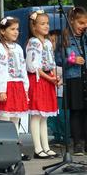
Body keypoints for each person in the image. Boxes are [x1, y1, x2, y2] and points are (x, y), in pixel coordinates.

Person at [0, 16, 30, 161]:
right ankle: (2, 150)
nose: (16, 32)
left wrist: (26, 88)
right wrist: (1, 90)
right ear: (2, 31)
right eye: (12, 29)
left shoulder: (19, 48)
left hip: (18, 86)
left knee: (15, 119)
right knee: (4, 118)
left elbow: (23, 68)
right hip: (7, 86)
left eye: (17, 29)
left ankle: (14, 150)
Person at [26, 10, 59, 159]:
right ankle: (37, 148)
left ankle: (46, 147)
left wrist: (55, 76)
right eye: (42, 23)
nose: (46, 26)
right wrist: (49, 77)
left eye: (47, 23)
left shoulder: (47, 42)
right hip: (38, 79)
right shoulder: (33, 42)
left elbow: (51, 62)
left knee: (44, 116)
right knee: (37, 115)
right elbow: (34, 66)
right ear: (34, 26)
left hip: (47, 79)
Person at [63, 6, 87, 156]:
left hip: (85, 76)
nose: (84, 26)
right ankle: (77, 144)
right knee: (76, 111)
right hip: (74, 78)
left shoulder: (85, 37)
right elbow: (59, 59)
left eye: (86, 23)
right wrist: (73, 59)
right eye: (81, 23)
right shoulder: (65, 38)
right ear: (71, 20)